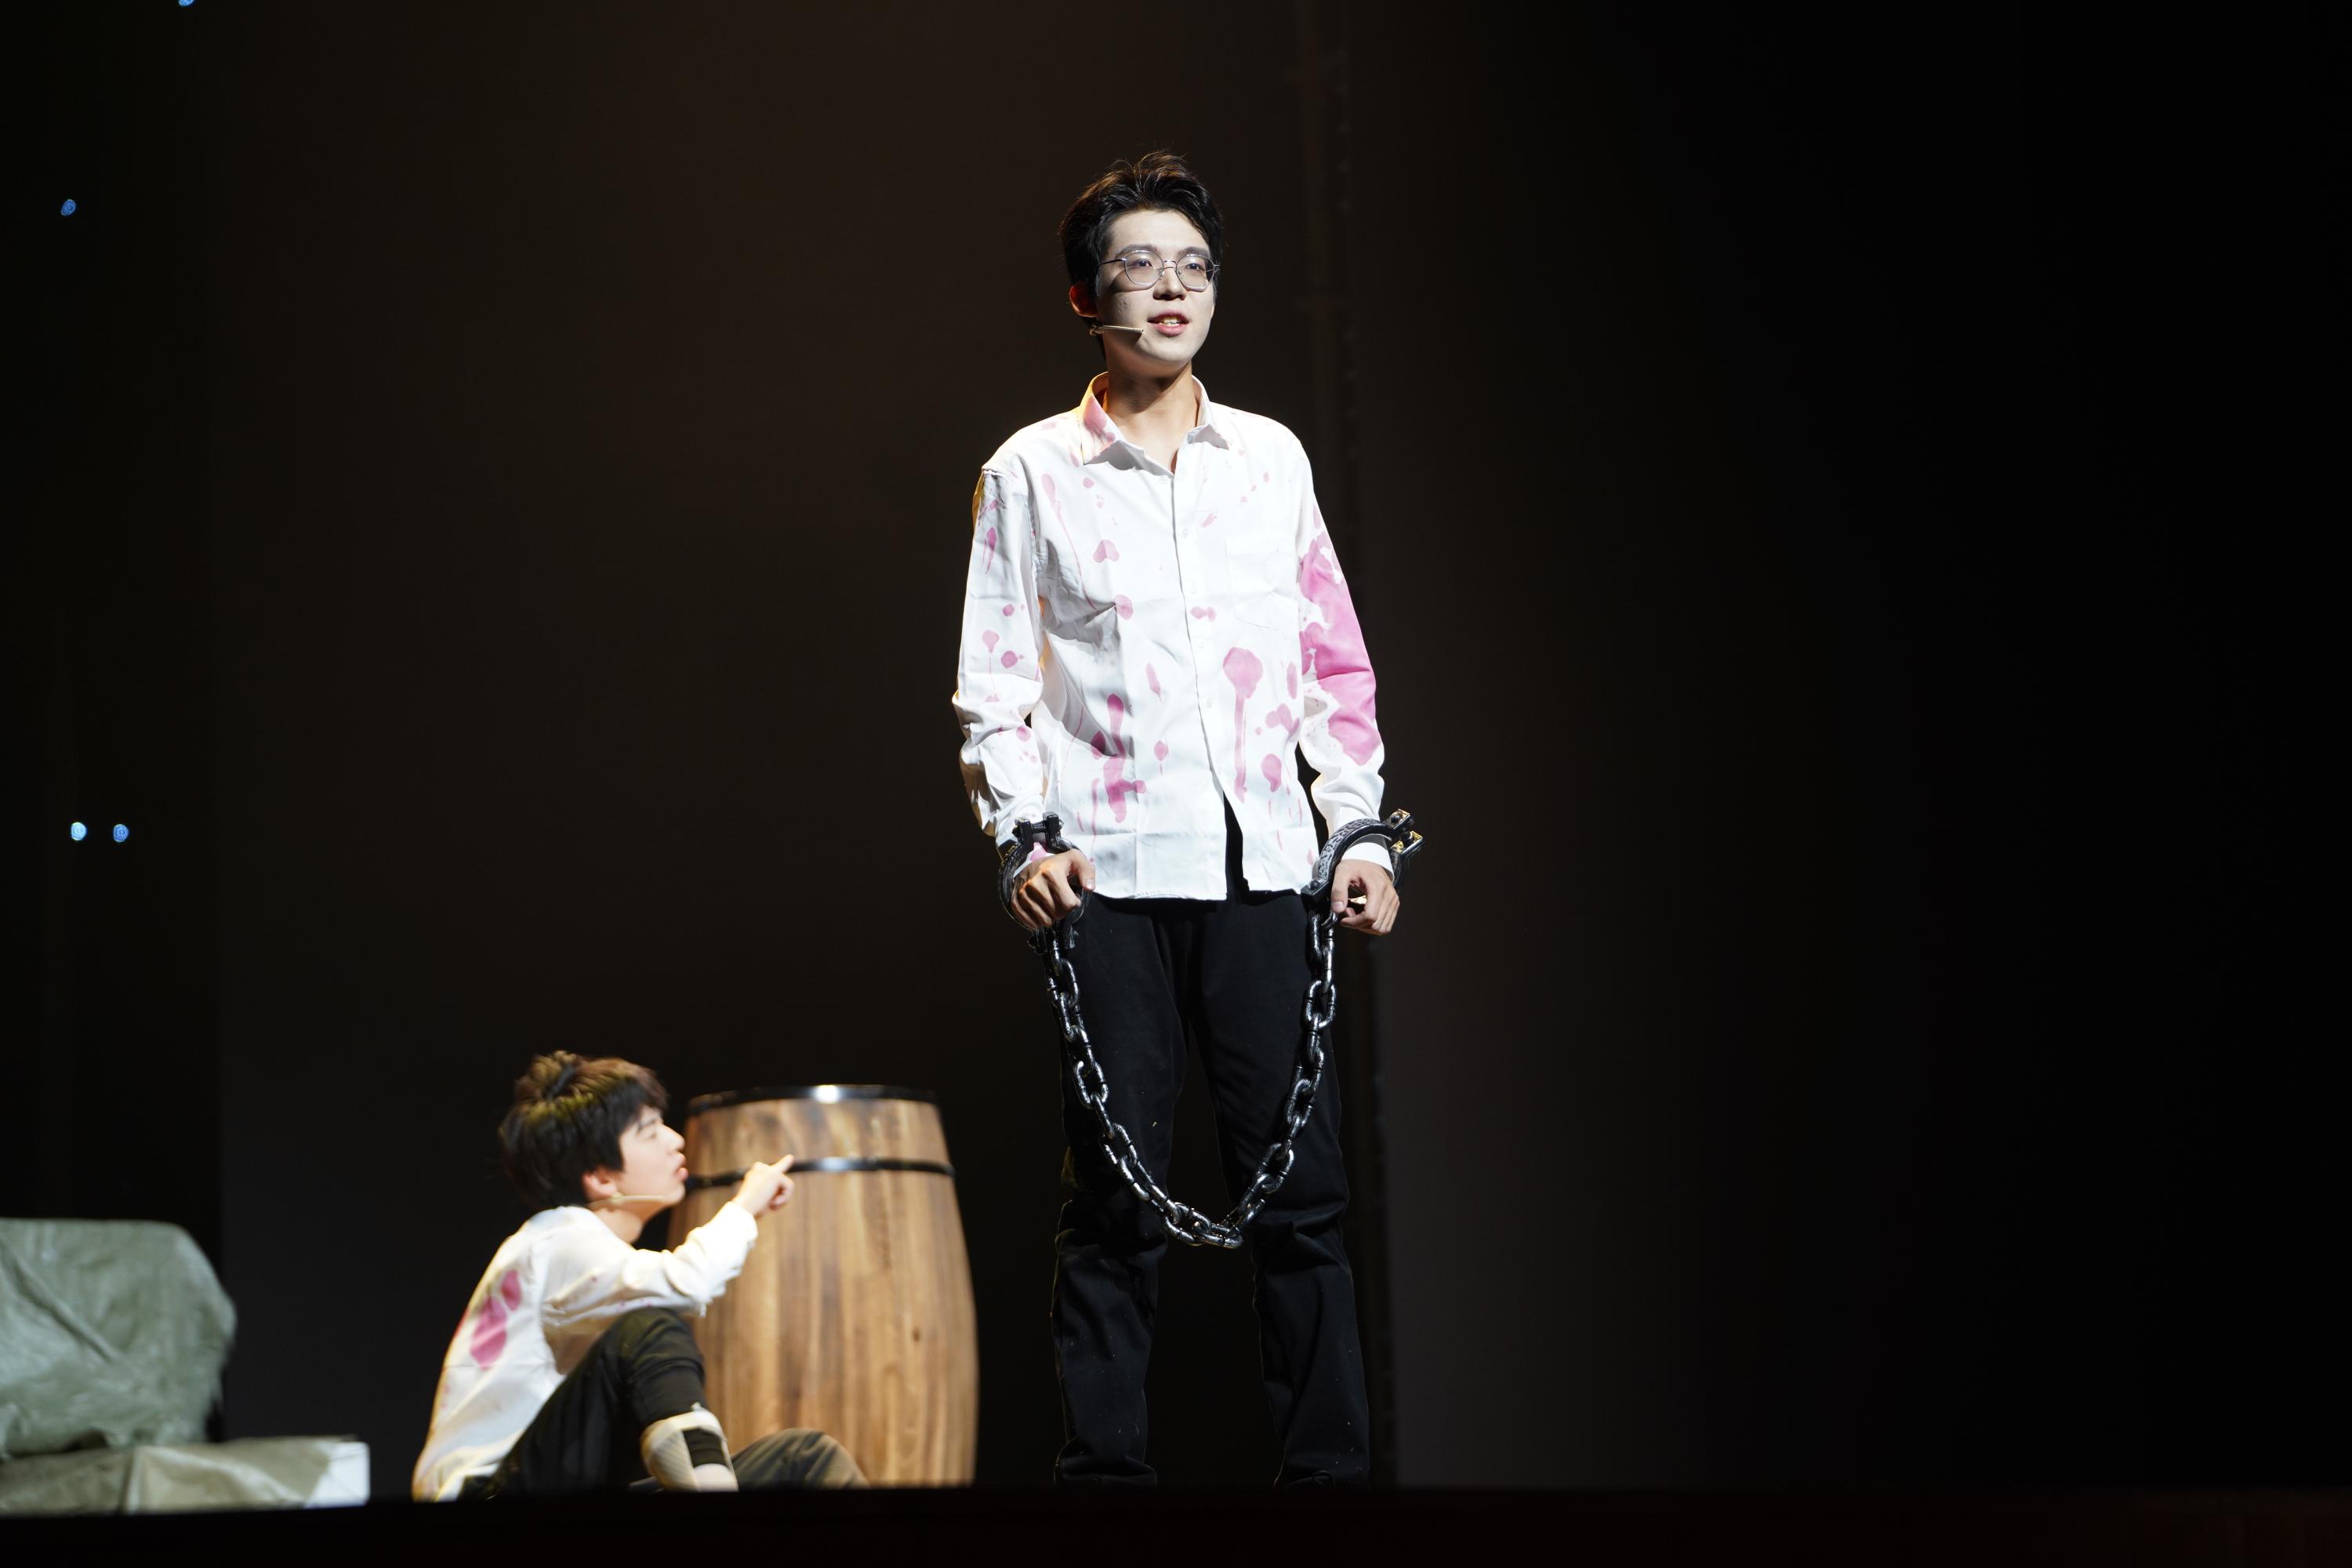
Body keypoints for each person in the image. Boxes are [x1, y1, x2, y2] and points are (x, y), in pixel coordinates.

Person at [953, 151, 1402, 1486]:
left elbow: (1333, 665)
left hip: (1266, 869)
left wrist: (1358, 830)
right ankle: (1105, 1490)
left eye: (1193, 268)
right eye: (1139, 267)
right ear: (1084, 297)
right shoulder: (1032, 471)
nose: (1170, 291)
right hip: (1109, 876)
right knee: (1113, 1203)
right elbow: (994, 683)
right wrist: (1020, 841)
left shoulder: (1270, 460)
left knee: (1305, 1201)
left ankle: (1331, 1487)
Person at [411, 1052, 864, 1499]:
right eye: (649, 1132)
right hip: (485, 1494)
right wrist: (745, 1207)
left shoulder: (582, 1250)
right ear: (601, 1177)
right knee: (650, 1326)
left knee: (803, 1459)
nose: (675, 1140)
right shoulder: (558, 1240)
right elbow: (688, 1282)